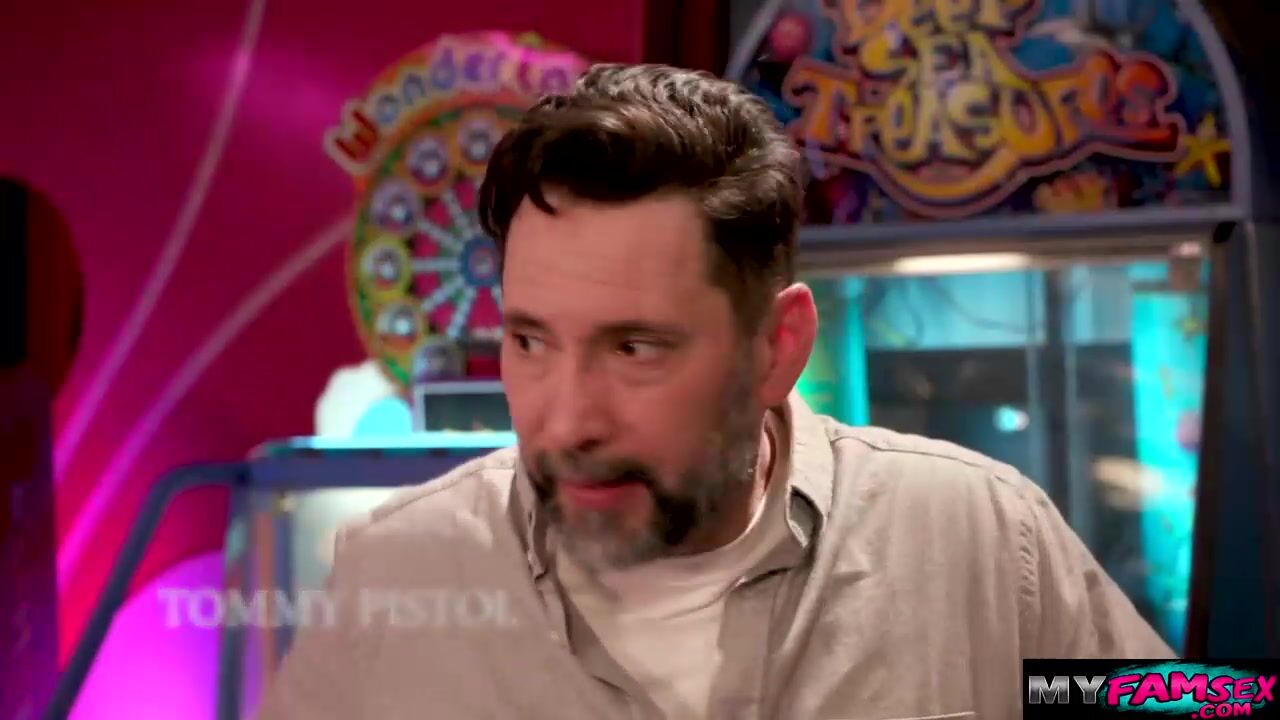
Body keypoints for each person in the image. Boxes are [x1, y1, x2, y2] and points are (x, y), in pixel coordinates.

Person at [258, 63, 1172, 720]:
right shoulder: (399, 572)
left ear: (777, 346)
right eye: (531, 340)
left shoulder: (983, 536)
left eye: (634, 348)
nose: (566, 419)